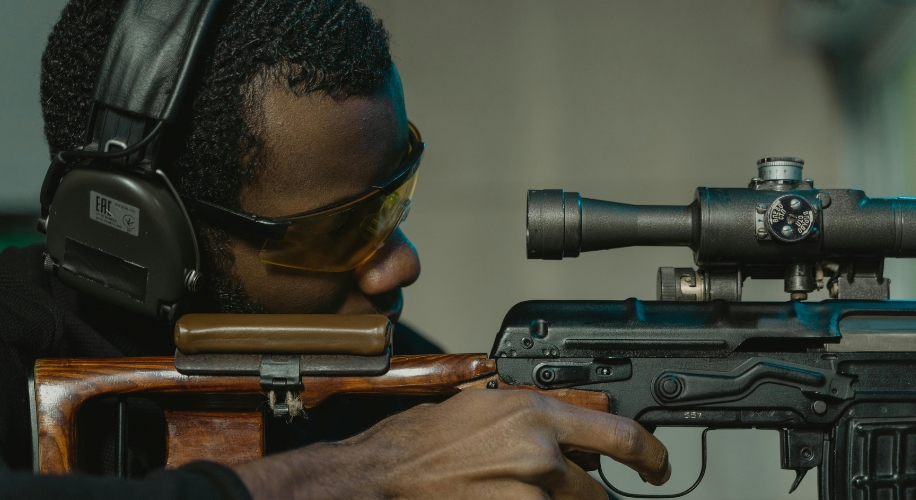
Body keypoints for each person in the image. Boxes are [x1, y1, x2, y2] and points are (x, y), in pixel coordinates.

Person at [0, 0, 672, 498]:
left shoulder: (399, 385)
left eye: (391, 201)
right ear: (147, 234)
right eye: (337, 232)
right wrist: (370, 472)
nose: (400, 263)